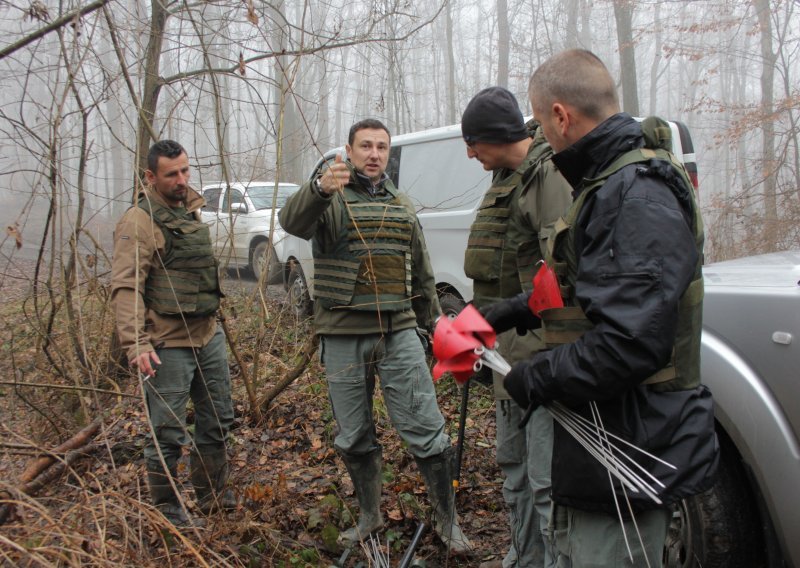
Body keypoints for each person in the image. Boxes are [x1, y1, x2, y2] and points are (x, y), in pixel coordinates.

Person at [485, 49, 719, 566]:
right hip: (604, 435)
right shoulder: (604, 183)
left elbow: (628, 344)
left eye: (541, 122)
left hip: (635, 439)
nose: (541, 138)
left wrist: (536, 376)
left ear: (562, 116)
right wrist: (511, 312)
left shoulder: (635, 195)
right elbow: (589, 288)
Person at [278, 119, 471, 555]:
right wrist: (320, 187)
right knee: (354, 436)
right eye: (365, 146)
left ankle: (447, 519)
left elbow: (420, 271)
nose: (374, 154)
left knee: (427, 430)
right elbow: (291, 222)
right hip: (344, 335)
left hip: (398, 332)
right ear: (348, 150)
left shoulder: (401, 204)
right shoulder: (329, 199)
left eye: (381, 147)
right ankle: (370, 516)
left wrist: (436, 323)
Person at [460, 87, 571, 568]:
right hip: (505, 357)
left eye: (472, 142)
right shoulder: (505, 177)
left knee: (546, 479)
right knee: (514, 469)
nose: (469, 153)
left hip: (541, 357)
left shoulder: (549, 175)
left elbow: (563, 277)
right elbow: (498, 269)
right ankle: (523, 556)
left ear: (493, 137)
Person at [111, 140, 235, 527]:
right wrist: (136, 343)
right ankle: (167, 510)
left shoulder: (190, 208)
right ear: (150, 176)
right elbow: (127, 285)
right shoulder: (139, 220)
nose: (181, 180)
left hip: (206, 335)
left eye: (185, 170)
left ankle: (213, 497)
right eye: (171, 174)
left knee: (217, 420)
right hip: (167, 343)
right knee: (166, 432)